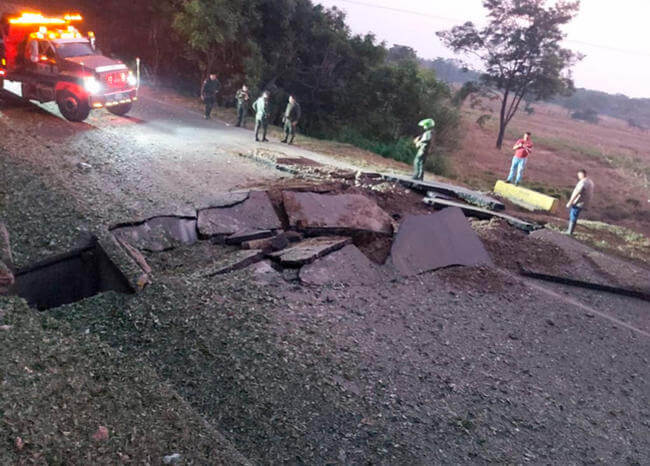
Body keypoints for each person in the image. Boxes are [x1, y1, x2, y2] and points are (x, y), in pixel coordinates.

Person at [565, 169, 594, 235]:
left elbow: (578, 192)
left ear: (582, 174)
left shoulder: (583, 182)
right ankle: (570, 231)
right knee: (575, 214)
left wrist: (570, 201)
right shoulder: (590, 182)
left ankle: (569, 231)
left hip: (579, 202)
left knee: (573, 214)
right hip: (584, 202)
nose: (578, 176)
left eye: (579, 175)